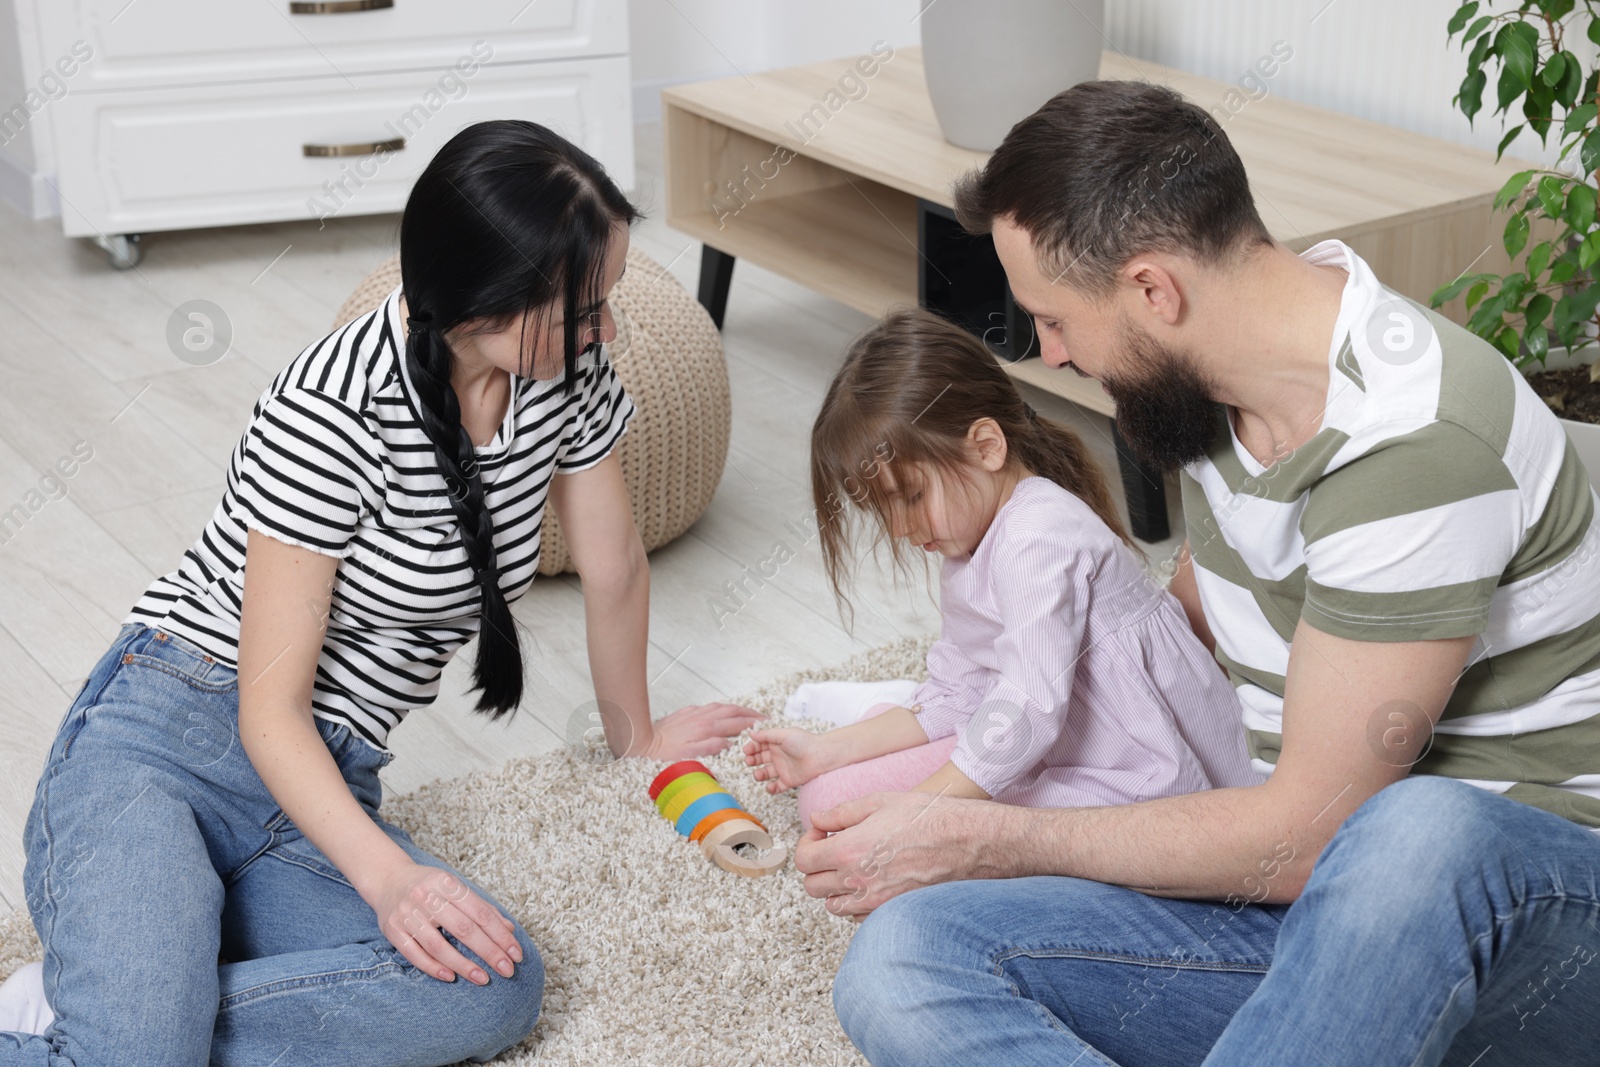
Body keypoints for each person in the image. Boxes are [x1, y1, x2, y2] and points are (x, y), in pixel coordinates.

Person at [800, 81, 1600, 1066]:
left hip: (1525, 929)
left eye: (1052, 318)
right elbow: (1191, 619)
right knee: (904, 958)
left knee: (1409, 833)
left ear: (1151, 290)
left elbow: (1308, 834)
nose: (1047, 353)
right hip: (1305, 918)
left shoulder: (1412, 440)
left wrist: (987, 834)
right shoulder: (1218, 396)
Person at [0, 120, 758, 1066]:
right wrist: (389, 877)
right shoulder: (330, 406)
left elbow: (616, 566)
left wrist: (636, 741)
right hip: (169, 746)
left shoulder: (567, 372)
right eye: (587, 308)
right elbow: (267, 711)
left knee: (493, 983)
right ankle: (123, 1016)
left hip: (326, 782)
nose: (609, 328)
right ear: (487, 305)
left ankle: (122, 1003)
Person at [742, 307, 1261, 836]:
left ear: (987, 447)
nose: (900, 527)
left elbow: (1029, 706)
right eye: (885, 511)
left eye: (913, 497)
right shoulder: (969, 546)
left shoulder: (1038, 534)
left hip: (1140, 772)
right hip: (1060, 742)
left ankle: (880, 709)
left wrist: (917, 816)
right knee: (827, 799)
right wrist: (824, 752)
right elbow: (961, 689)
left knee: (899, 830)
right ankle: (874, 713)